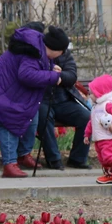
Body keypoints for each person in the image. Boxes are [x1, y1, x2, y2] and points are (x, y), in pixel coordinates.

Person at [0, 25, 65, 178]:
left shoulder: (38, 49)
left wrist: (51, 67)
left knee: (32, 117)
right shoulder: (33, 51)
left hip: (5, 89)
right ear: (55, 49)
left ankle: (23, 154)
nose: (63, 54)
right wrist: (53, 77)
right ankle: (9, 164)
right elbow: (27, 74)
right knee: (8, 122)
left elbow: (36, 66)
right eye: (63, 50)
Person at [37, 30, 91, 171]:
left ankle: (77, 159)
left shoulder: (65, 55)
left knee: (86, 117)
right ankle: (53, 159)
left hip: (63, 99)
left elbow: (72, 75)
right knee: (43, 117)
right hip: (41, 99)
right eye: (60, 51)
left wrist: (60, 76)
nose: (62, 53)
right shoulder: (35, 52)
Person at [83, 74, 112, 185]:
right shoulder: (95, 107)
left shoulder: (107, 104)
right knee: (102, 158)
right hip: (99, 139)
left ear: (100, 93)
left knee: (107, 156)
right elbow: (92, 122)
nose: (90, 95)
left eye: (92, 93)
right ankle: (109, 175)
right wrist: (87, 134)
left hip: (109, 138)